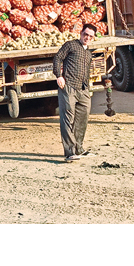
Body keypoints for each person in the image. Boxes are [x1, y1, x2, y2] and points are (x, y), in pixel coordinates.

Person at [53, 23, 97, 162]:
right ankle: (69, 152)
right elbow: (57, 58)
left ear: (93, 38)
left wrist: (88, 87)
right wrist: (58, 76)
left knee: (83, 117)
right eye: (86, 34)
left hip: (83, 89)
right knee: (67, 118)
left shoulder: (88, 53)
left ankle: (79, 148)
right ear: (81, 33)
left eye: (90, 36)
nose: (87, 38)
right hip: (69, 86)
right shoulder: (70, 45)